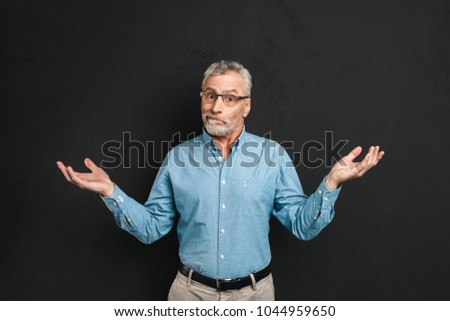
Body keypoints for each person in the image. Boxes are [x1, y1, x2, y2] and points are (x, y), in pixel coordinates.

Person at [56, 60, 384, 301]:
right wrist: (111, 191)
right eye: (210, 95)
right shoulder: (177, 159)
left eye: (229, 98)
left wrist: (330, 183)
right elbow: (152, 228)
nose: (216, 106)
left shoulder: (272, 156)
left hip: (255, 298)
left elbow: (302, 225)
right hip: (189, 296)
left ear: (247, 106)